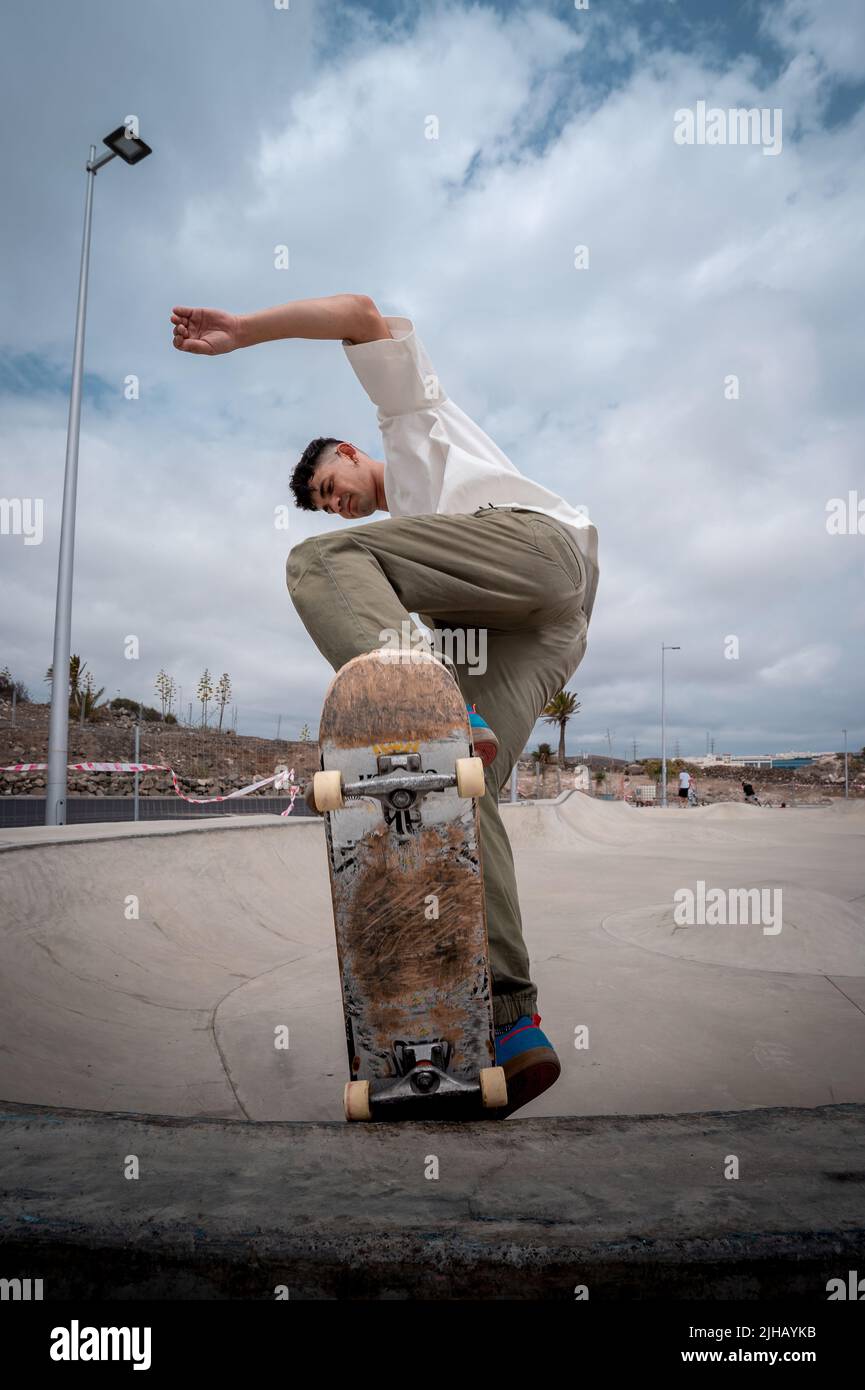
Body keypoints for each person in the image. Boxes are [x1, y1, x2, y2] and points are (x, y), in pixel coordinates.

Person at [171, 292, 599, 1116]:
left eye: (334, 486)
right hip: (544, 631)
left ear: (349, 450)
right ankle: (513, 1024)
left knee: (317, 565)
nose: (340, 505)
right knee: (461, 797)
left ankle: (439, 711)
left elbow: (361, 311)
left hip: (535, 553)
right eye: (330, 503)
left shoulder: (412, 425)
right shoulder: (415, 556)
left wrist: (244, 333)